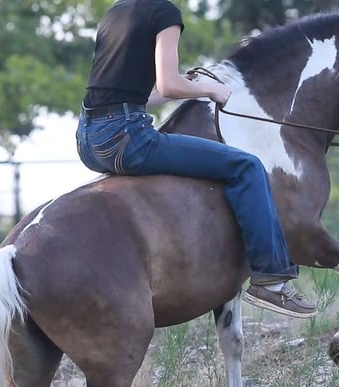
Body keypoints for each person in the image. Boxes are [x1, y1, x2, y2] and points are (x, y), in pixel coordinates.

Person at [76, 0, 316, 318]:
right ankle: (271, 281)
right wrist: (211, 90)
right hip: (127, 138)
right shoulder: (164, 12)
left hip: (89, 139)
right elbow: (168, 85)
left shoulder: (115, 13)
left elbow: (142, 94)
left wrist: (195, 86)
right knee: (246, 166)